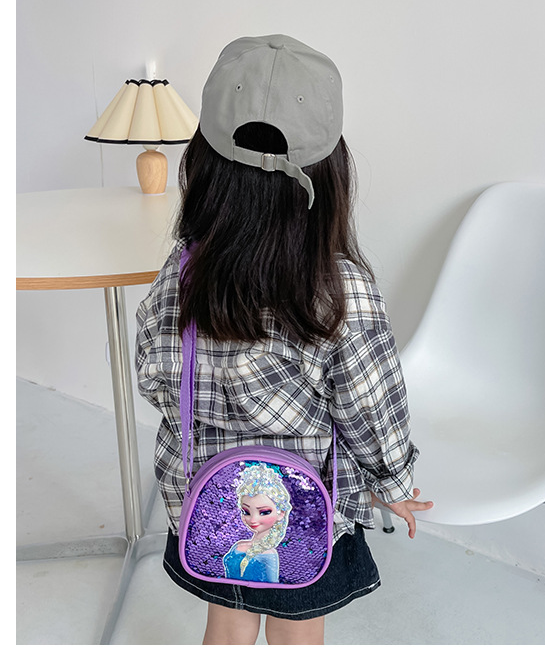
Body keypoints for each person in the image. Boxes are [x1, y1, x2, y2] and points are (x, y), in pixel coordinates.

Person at [136, 34, 433, 645]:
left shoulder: (183, 273)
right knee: (298, 632)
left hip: (206, 504)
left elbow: (154, 374)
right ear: (332, 172)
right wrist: (394, 483)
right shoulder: (340, 290)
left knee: (226, 623)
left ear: (204, 164)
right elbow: (369, 406)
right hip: (306, 508)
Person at [222, 463, 292, 583]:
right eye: (246, 512)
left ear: (281, 513)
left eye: (264, 512)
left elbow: (271, 586)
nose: (253, 519)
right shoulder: (238, 545)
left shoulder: (269, 554)